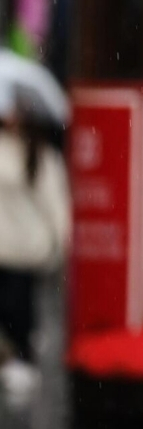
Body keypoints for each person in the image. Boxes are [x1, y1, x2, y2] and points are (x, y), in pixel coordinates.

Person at [0, 97, 71, 408]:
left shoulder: (41, 156)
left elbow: (56, 201)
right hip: (3, 244)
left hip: (25, 247)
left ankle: (20, 356)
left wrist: (62, 241)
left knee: (18, 307)